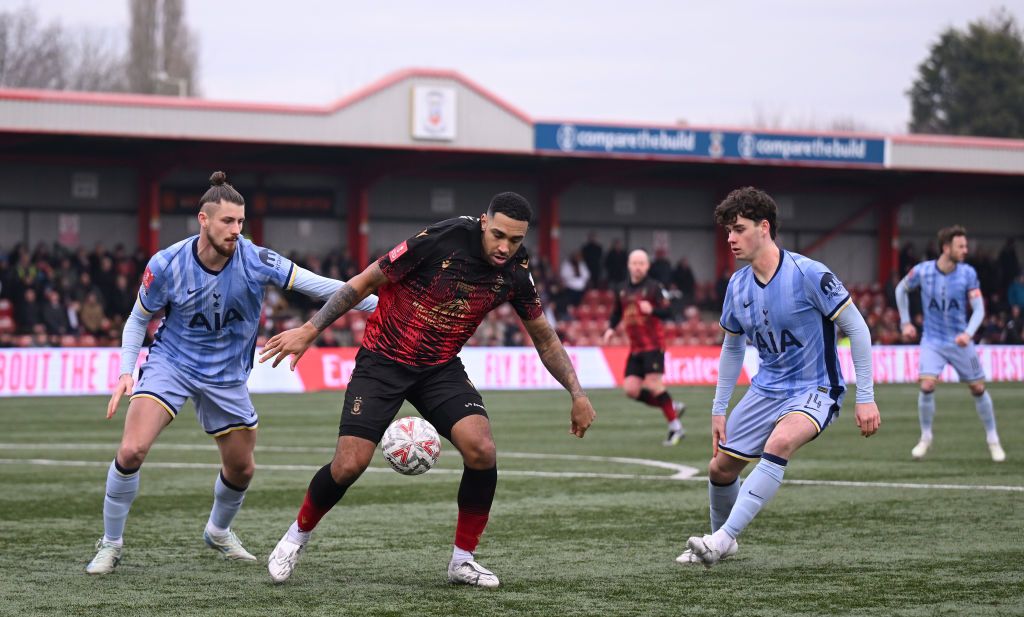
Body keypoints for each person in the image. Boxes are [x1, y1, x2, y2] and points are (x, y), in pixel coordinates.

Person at [259, 192, 596, 588]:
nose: (505, 247)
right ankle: (296, 537)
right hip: (383, 359)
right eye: (499, 235)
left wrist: (577, 393)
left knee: (482, 450)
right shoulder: (441, 239)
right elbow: (365, 281)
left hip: (439, 368)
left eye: (516, 240)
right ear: (484, 223)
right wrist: (309, 330)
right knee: (349, 464)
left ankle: (462, 560)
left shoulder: (517, 273)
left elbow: (546, 339)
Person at [85, 172, 378, 575]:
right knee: (132, 450)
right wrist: (125, 371)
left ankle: (218, 531)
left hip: (226, 376)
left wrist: (380, 303)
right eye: (227, 221)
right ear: (203, 220)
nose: (236, 230)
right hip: (172, 364)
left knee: (242, 469)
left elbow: (323, 286)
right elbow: (138, 319)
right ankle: (111, 543)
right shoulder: (166, 264)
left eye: (240, 222)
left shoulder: (256, 260)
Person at [677, 187, 880, 568]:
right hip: (765, 389)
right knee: (719, 468)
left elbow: (859, 329)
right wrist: (718, 409)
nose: (731, 239)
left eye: (738, 229)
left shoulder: (810, 274)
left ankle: (720, 541)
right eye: (727, 232)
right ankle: (723, 540)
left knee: (781, 440)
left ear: (764, 227)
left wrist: (865, 396)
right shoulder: (737, 286)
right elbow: (733, 347)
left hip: (815, 387)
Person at [895, 225, 1005, 463]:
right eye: (961, 246)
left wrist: (968, 332)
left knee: (978, 388)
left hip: (959, 341)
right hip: (932, 340)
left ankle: (993, 439)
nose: (966, 250)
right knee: (926, 385)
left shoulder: (968, 273)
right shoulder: (922, 272)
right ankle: (925, 438)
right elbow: (900, 289)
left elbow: (979, 309)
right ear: (946, 248)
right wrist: (905, 322)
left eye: (966, 246)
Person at [601, 249, 686, 446]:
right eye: (634, 263)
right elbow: (616, 313)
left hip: (654, 345)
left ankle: (676, 428)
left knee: (655, 386)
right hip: (636, 348)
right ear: (629, 265)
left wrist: (653, 310)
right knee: (631, 389)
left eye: (642, 263)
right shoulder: (621, 289)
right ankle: (671, 406)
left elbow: (670, 312)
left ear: (647, 266)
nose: (638, 267)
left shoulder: (654, 288)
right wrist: (610, 329)